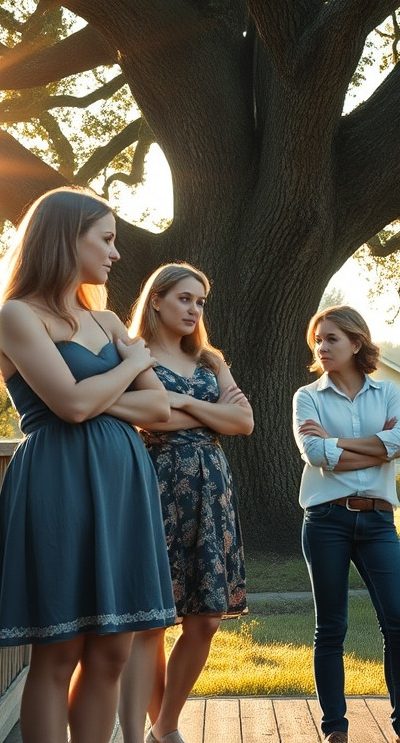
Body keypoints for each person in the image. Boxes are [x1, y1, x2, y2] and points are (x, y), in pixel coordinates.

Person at [0, 187, 176, 743]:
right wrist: (129, 365)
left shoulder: (109, 320)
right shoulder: (18, 317)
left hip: (122, 484)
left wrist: (90, 392)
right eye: (106, 239)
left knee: (113, 647)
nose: (115, 253)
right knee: (59, 647)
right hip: (58, 481)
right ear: (68, 238)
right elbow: (67, 407)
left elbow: (158, 407)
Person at [119, 263, 253, 743]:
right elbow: (155, 421)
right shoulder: (133, 355)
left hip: (211, 488)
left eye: (200, 302)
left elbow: (243, 423)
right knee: (153, 617)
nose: (194, 310)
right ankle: (158, 733)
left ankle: (165, 723)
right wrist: (209, 414)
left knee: (206, 618)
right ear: (156, 300)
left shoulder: (210, 361)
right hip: (155, 485)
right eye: (184, 299)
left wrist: (190, 405)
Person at [292, 306, 400, 743]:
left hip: (378, 521)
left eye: (331, 338)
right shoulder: (306, 397)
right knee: (330, 627)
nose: (322, 347)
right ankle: (335, 730)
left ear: (356, 342)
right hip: (326, 520)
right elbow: (315, 454)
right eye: (318, 340)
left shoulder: (387, 393)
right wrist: (376, 449)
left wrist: (338, 446)